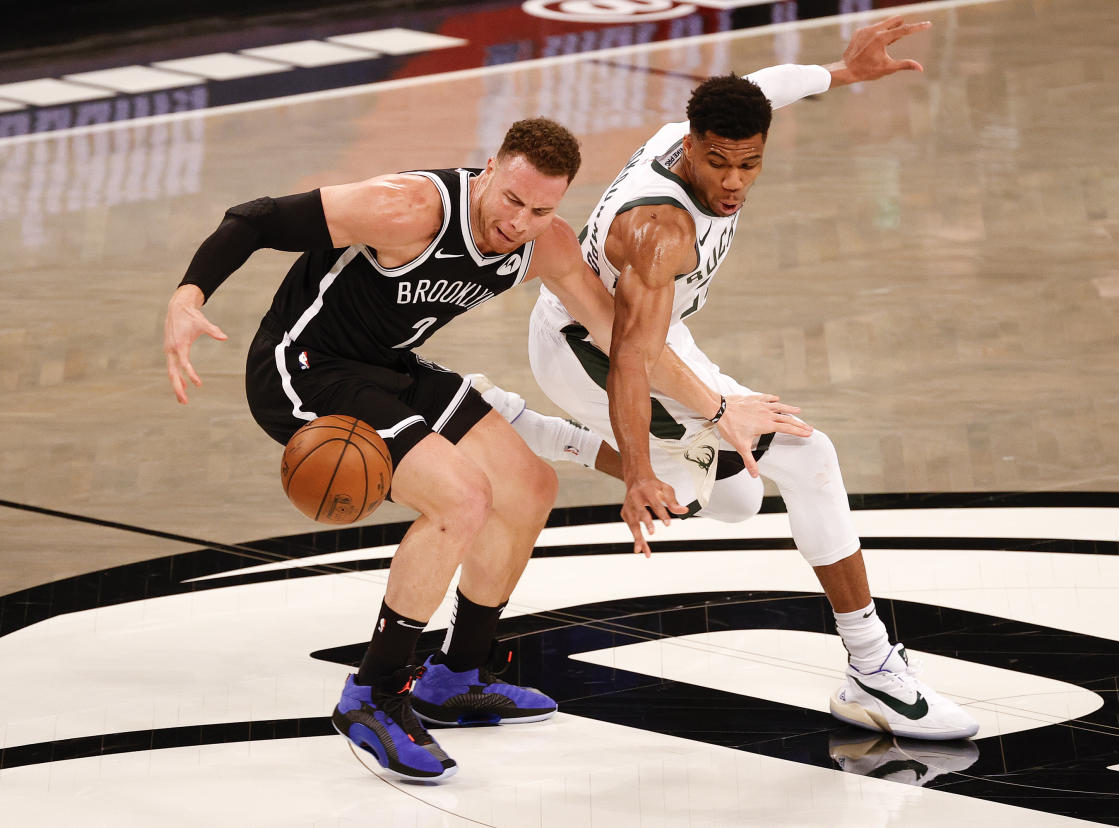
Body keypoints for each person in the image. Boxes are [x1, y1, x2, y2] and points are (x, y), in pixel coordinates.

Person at [163, 118, 801, 780]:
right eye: (511, 200)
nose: (518, 222)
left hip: (390, 365)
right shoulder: (407, 209)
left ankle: (455, 676)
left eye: (541, 209)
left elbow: (624, 338)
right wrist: (188, 297)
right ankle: (373, 695)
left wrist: (719, 408)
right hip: (303, 366)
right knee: (460, 499)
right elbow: (255, 219)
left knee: (529, 488)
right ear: (489, 170)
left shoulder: (545, 245)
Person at [518, 16, 981, 741]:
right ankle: (872, 667)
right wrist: (653, 456)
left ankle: (564, 440)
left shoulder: (710, 124)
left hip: (652, 334)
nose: (733, 182)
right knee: (808, 457)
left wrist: (844, 72)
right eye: (718, 164)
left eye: (750, 164)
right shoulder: (659, 230)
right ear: (692, 146)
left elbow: (767, 87)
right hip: (593, 352)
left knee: (734, 503)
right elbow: (632, 357)